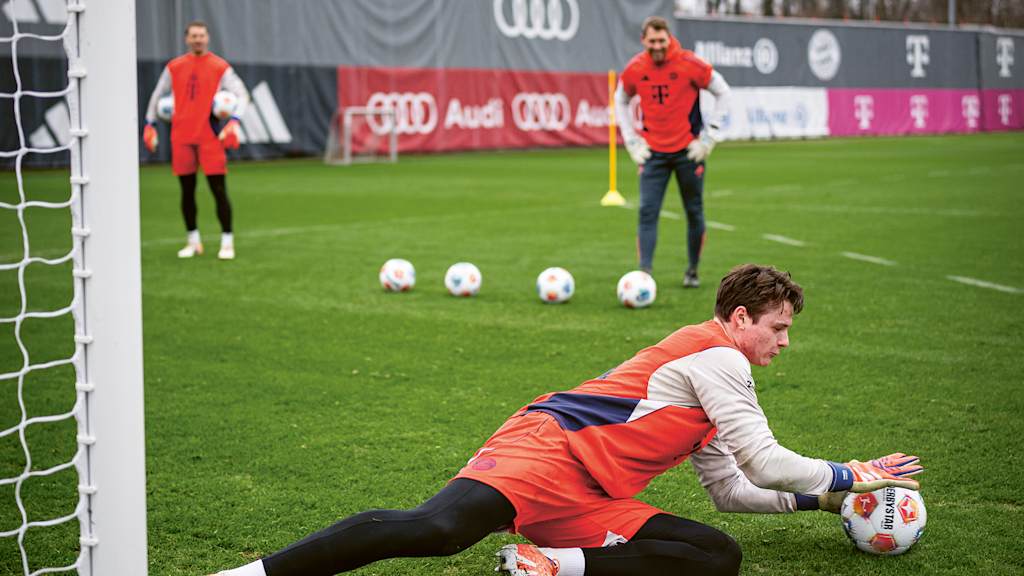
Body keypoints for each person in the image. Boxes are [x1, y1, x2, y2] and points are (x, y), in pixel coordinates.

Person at [209, 263, 923, 576]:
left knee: (716, 557)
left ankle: (550, 565)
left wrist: (828, 498)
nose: (784, 342)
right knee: (436, 531)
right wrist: (854, 472)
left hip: (592, 497)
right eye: (778, 327)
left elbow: (734, 491)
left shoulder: (718, 377)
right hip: (547, 450)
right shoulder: (717, 358)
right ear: (740, 319)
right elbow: (764, 462)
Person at [616, 16, 733, 288]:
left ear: (669, 39)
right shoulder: (635, 68)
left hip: (688, 152)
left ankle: (692, 270)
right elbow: (620, 99)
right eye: (652, 41)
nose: (657, 45)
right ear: (643, 41)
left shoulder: (690, 63)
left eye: (661, 40)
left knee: (694, 211)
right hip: (653, 153)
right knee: (647, 211)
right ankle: (644, 273)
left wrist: (708, 137)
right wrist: (632, 141)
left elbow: (723, 91)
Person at [143, 20, 250, 260]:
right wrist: (149, 124)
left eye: (201, 35)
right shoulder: (174, 67)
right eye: (193, 36)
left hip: (209, 138)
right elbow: (157, 94)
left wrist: (234, 121)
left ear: (207, 38)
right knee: (186, 191)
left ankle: (227, 241)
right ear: (187, 39)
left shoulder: (220, 67)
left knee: (218, 190)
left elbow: (242, 95)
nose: (198, 39)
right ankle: (193, 241)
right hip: (181, 137)